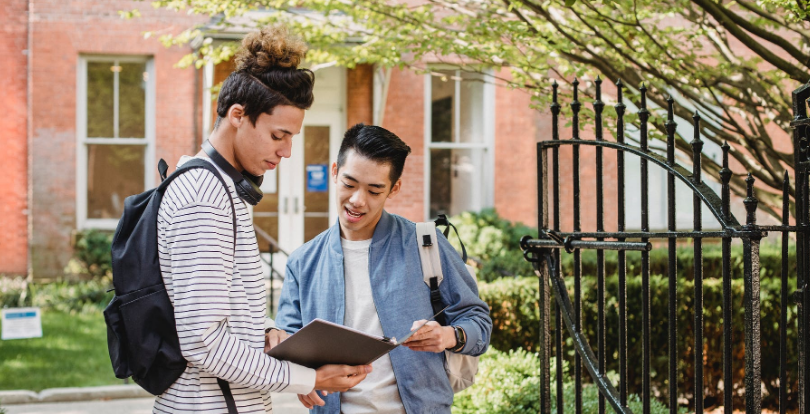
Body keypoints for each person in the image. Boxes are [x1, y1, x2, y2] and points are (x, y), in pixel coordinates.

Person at [155, 26, 370, 414]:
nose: (287, 151)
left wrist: (266, 330)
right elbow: (204, 341)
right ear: (238, 115)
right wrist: (308, 378)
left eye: (292, 138)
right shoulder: (205, 197)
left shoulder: (222, 188)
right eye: (278, 135)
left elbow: (224, 311)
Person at [274, 123, 492, 413]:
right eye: (349, 184)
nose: (357, 200)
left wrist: (448, 336)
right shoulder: (303, 261)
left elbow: (478, 321)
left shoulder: (424, 243)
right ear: (335, 171)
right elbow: (287, 344)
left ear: (394, 188)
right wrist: (303, 379)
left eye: (375, 190)